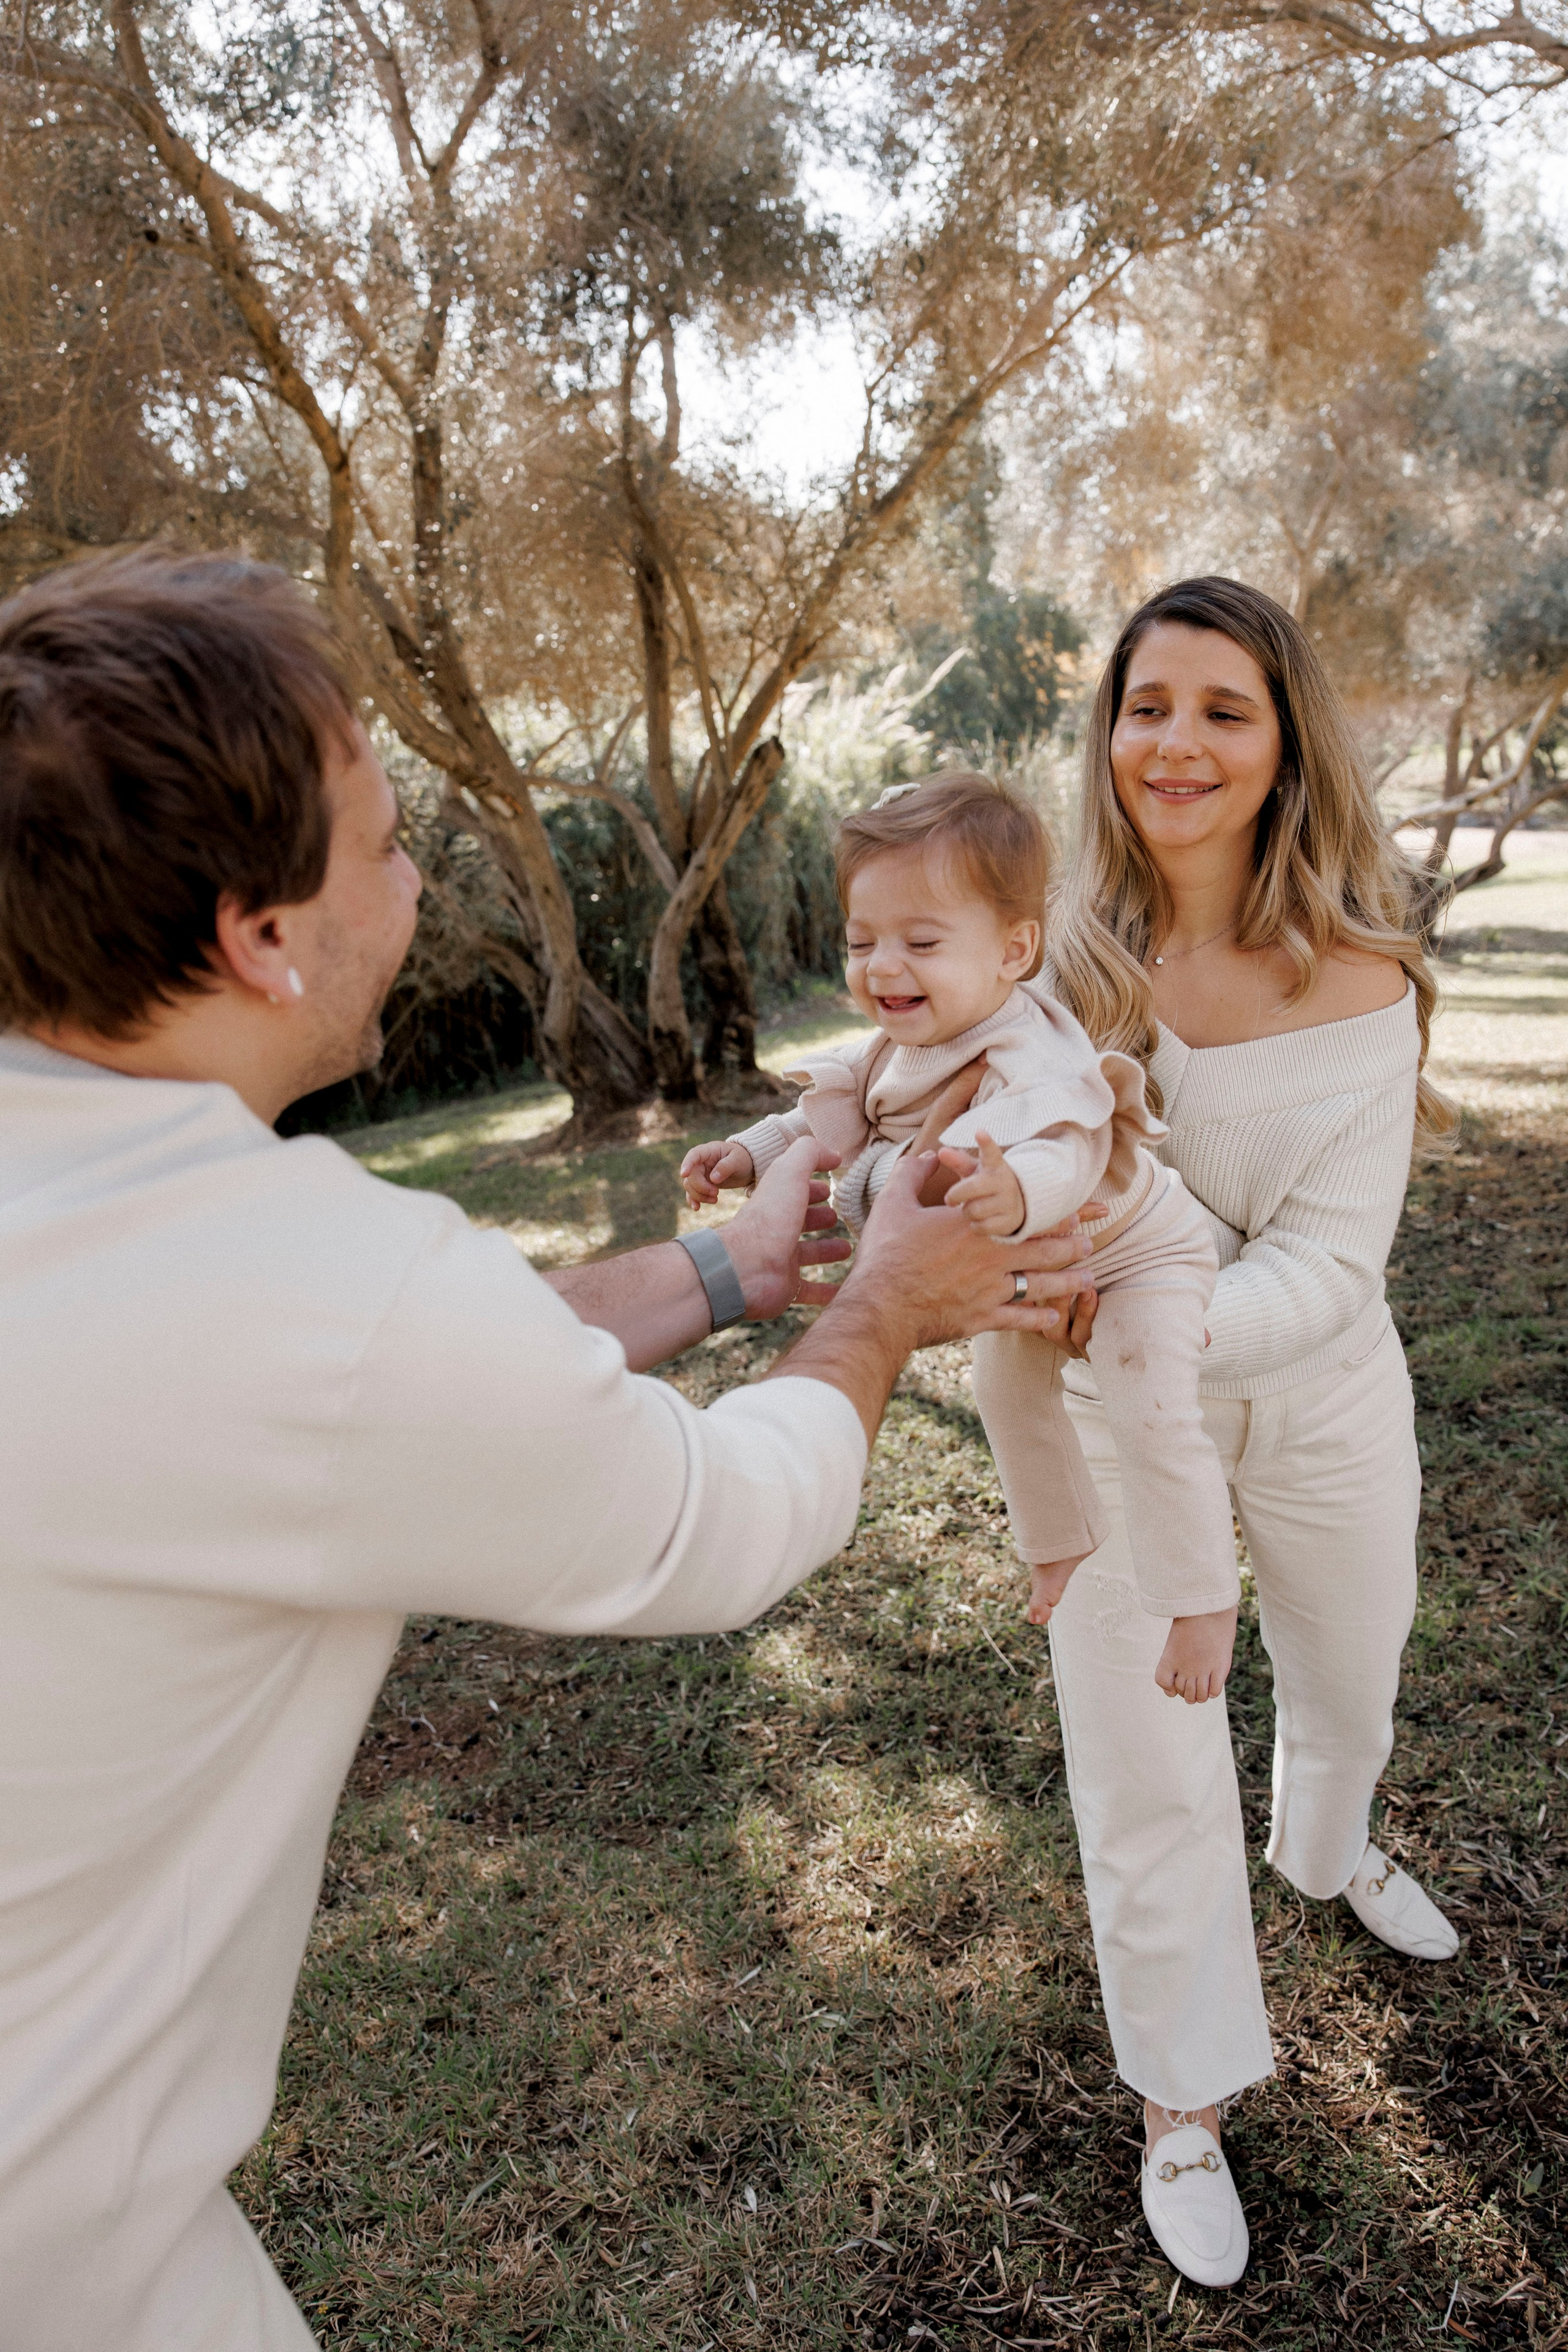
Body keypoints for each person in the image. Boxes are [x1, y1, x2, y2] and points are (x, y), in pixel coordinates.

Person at [0, 548, 1096, 2352]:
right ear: (260, 936)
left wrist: (737, 1271)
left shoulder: (141, 1201)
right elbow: (722, 1522)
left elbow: (406, 1373)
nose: (418, 877)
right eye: (379, 840)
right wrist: (882, 1307)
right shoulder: (318, 1291)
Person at [1026, 576, 1458, 2288]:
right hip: (1115, 1437)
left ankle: (1333, 1847)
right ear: (1107, 732)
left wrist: (1149, 1307)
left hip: (1324, 1390)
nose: (1177, 744)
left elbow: (1334, 1265)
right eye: (1149, 706)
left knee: (1353, 1673)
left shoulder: (1365, 979)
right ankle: (1183, 2098)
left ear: (1285, 748)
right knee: (1145, 1767)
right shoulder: (1046, 965)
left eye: (1224, 710)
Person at [681, 771, 1243, 1706]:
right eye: (863, 941)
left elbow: (1073, 1143)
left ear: (1014, 951)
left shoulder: (1036, 1050)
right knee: (1005, 1388)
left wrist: (1013, 1186)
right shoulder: (896, 1051)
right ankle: (1060, 1545)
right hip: (1029, 1268)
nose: (883, 967)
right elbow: (837, 1117)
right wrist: (747, 1154)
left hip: (1139, 1251)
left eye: (922, 942)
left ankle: (1203, 1601)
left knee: (1150, 1400)